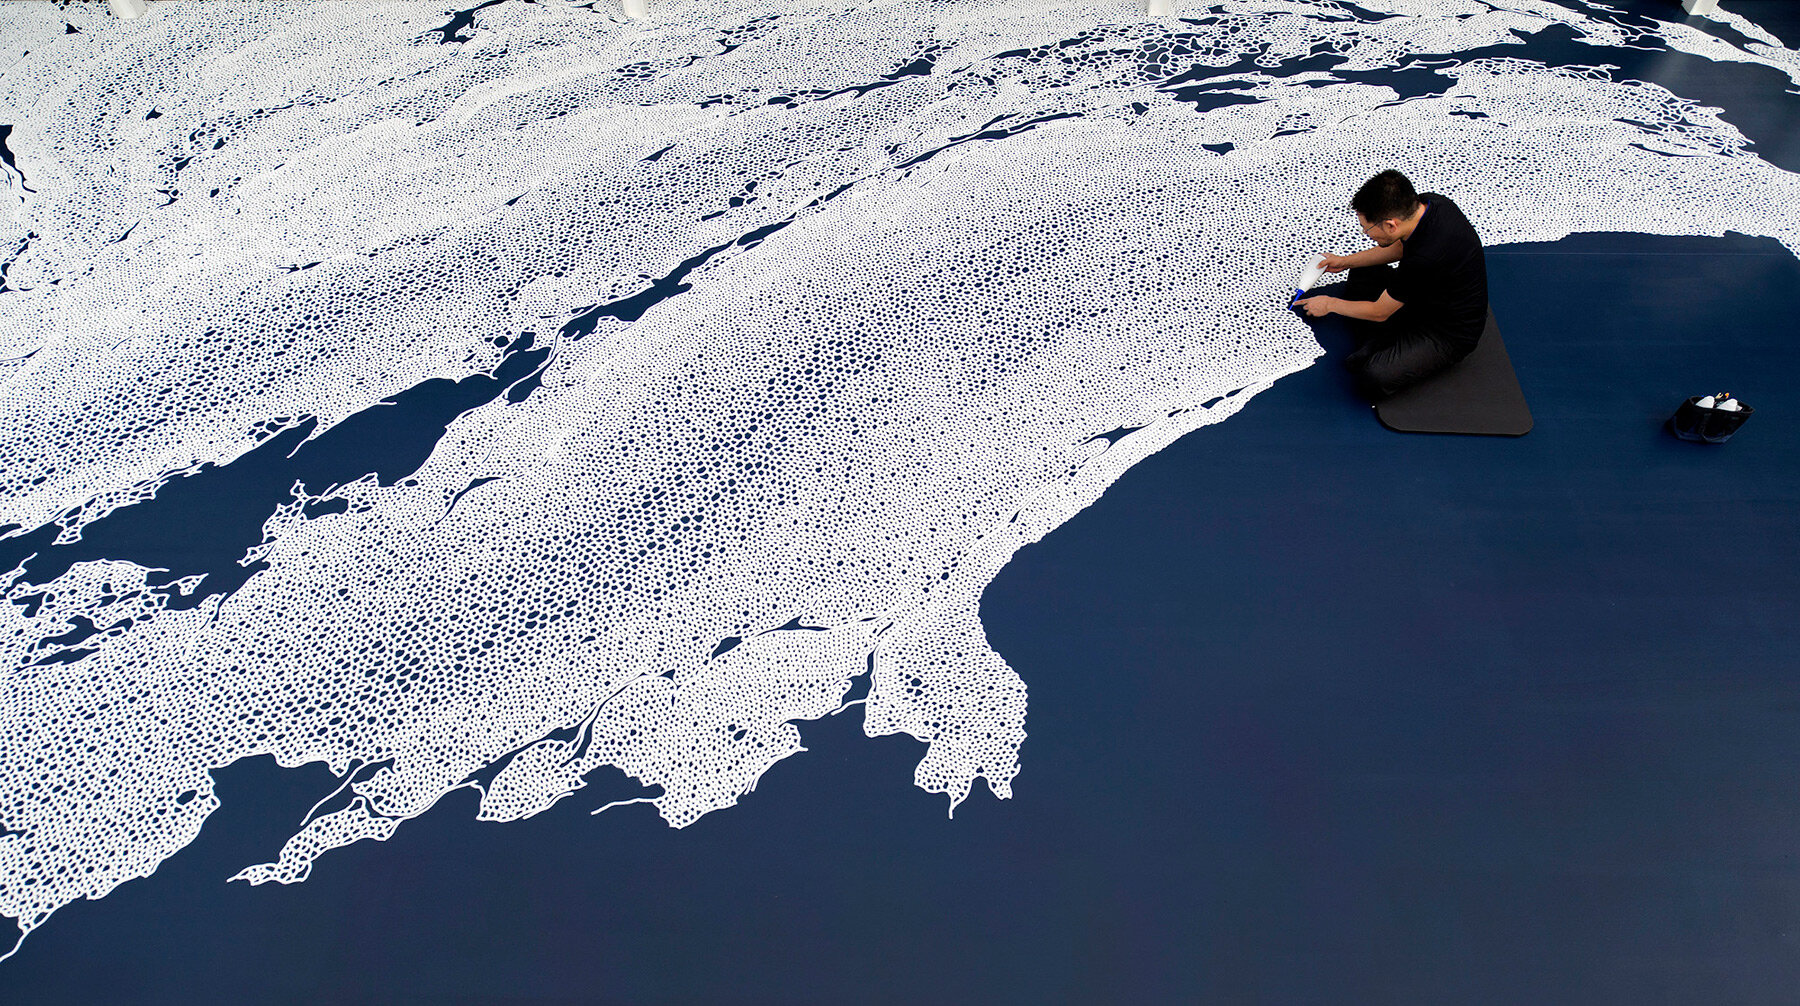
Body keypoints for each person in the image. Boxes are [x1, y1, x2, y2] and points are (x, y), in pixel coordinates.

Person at [1295, 170, 1488, 398]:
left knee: (1373, 376)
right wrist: (1346, 262)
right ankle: (1386, 338)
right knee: (1361, 271)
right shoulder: (1432, 204)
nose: (1367, 234)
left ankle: (1384, 343)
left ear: (1390, 225)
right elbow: (1401, 247)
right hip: (1429, 291)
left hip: (1448, 333)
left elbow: (1379, 312)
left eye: (1368, 229)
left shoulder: (1425, 258)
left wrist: (1329, 304)